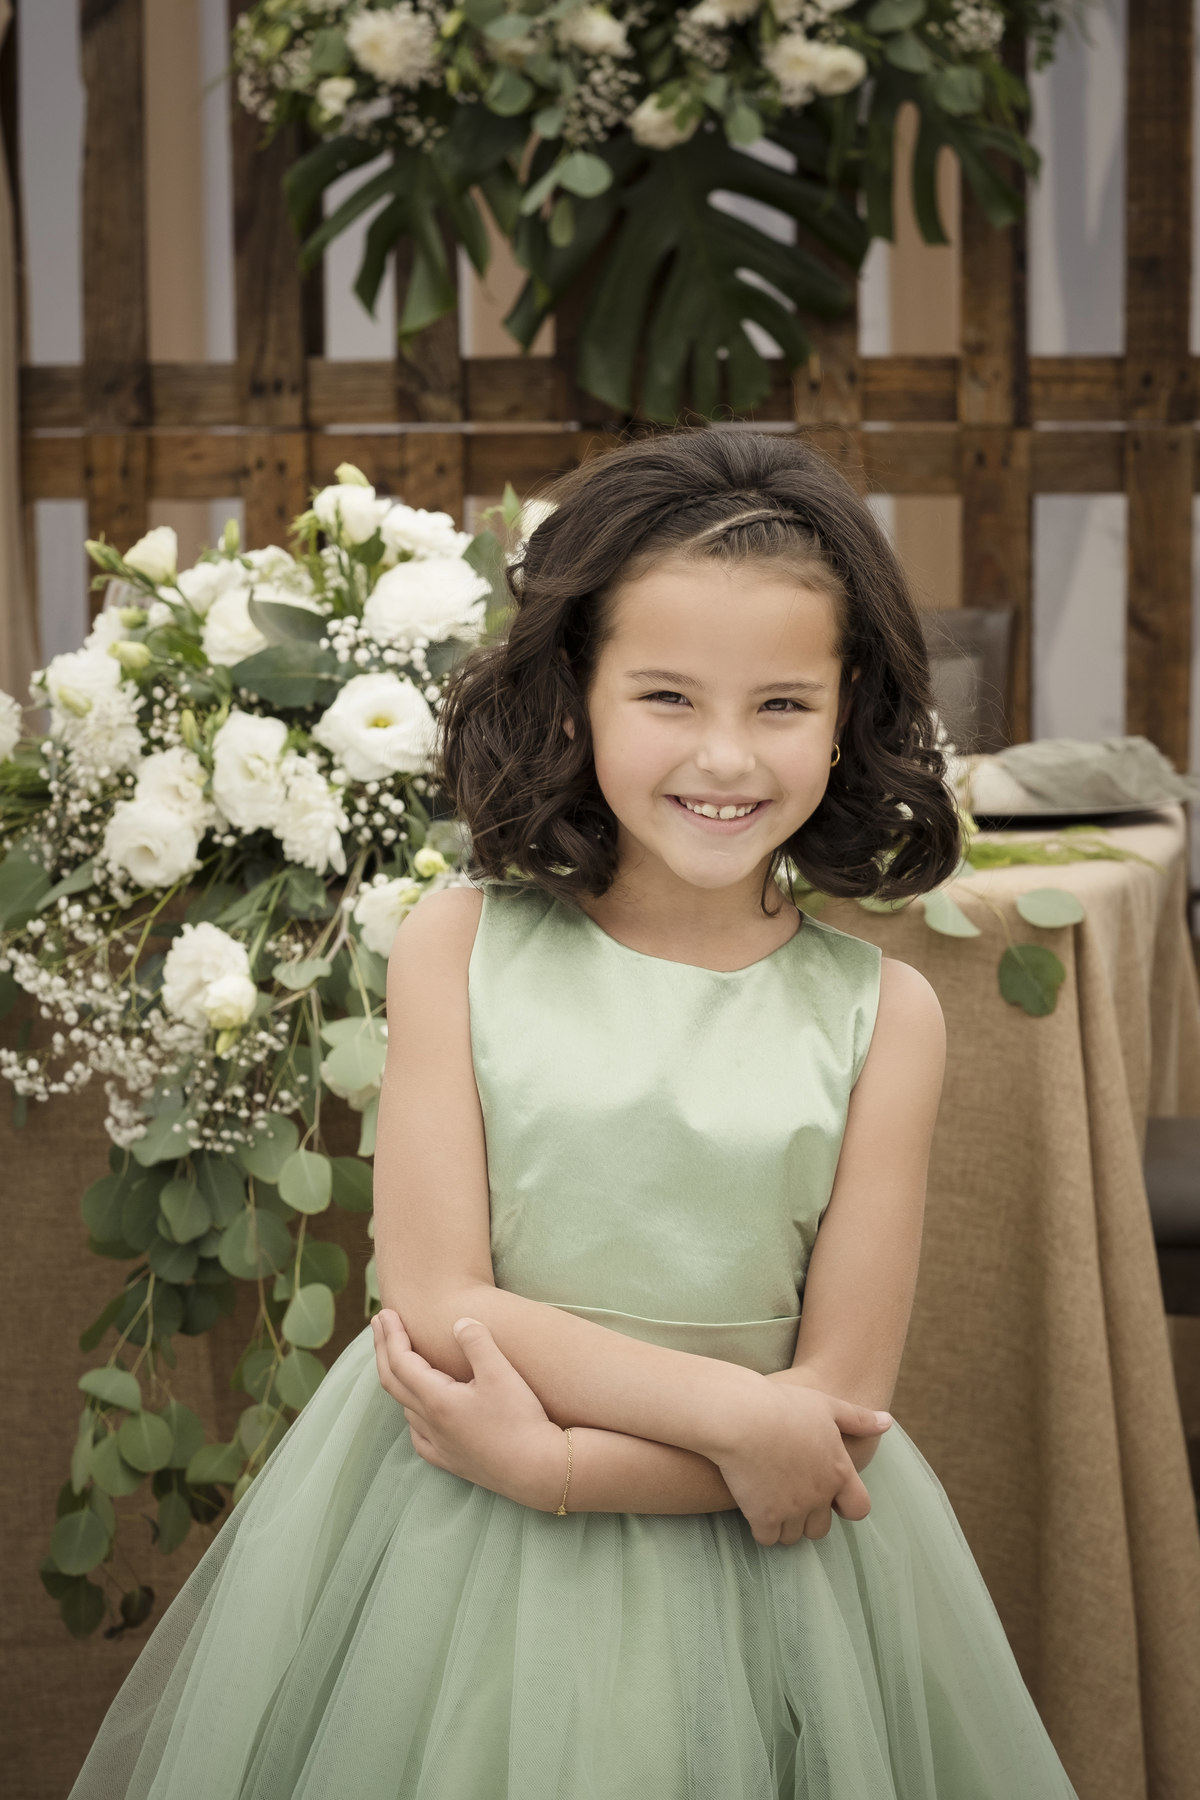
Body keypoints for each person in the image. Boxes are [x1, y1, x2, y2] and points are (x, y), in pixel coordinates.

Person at [69, 430, 1079, 1798]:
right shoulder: (457, 945)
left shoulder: (883, 1017)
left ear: (853, 713)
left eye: (783, 704)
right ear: (573, 699)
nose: (725, 754)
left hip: (773, 1581)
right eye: (666, 695)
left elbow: (831, 1419)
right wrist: (717, 1427)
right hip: (462, 1549)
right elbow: (436, 1297)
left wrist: (571, 1462)